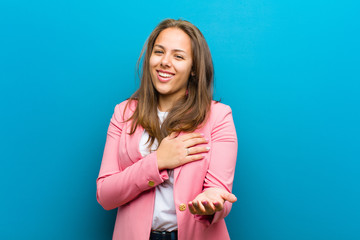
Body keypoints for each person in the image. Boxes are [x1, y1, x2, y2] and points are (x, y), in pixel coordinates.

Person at [96, 19, 238, 240]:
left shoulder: (219, 116)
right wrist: (157, 161)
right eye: (159, 52)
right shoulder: (123, 114)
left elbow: (219, 193)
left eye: (178, 56)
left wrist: (211, 202)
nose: (164, 62)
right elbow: (105, 195)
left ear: (193, 69)